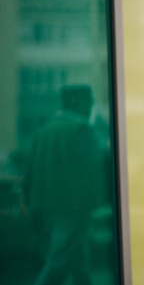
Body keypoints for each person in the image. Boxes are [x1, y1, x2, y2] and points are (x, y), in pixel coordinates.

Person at [23, 85, 106, 285]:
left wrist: (32, 205)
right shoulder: (79, 130)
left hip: (47, 206)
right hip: (73, 207)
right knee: (58, 263)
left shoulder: (45, 130)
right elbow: (93, 166)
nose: (92, 105)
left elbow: (30, 173)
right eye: (88, 101)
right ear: (76, 103)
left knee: (78, 263)